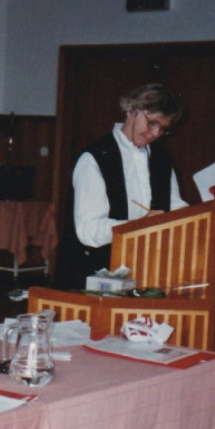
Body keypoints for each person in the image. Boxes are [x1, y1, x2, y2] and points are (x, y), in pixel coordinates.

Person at [53, 83, 187, 290]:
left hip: (145, 272)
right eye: (152, 123)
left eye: (163, 129)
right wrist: (139, 225)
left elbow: (175, 206)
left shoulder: (162, 159)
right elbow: (88, 231)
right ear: (132, 110)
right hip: (90, 276)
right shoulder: (95, 157)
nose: (155, 133)